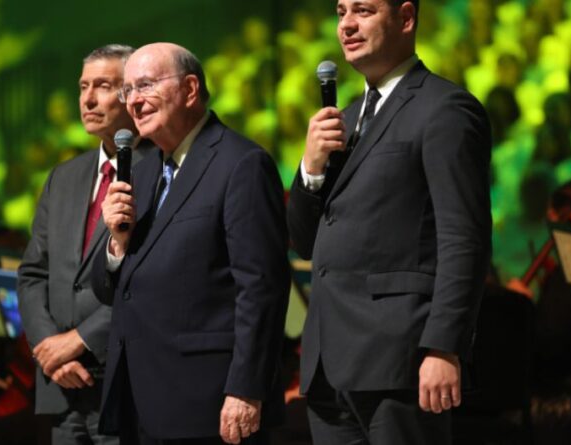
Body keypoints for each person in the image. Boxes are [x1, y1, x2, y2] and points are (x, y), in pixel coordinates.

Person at [286, 1, 492, 443]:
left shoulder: (444, 108)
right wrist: (310, 169)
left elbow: (464, 238)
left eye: (363, 10)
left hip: (399, 360)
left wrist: (444, 345)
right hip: (328, 365)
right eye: (341, 12)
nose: (347, 25)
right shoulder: (343, 120)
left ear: (406, 18)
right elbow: (304, 242)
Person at [92, 42, 289, 444]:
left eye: (145, 85)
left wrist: (246, 389)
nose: (134, 102)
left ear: (190, 89)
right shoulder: (141, 174)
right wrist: (116, 245)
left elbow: (261, 289)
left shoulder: (241, 164)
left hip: (210, 404)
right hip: (140, 403)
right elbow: (111, 290)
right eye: (128, 91)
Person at [18, 44, 153, 445]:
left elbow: (150, 281)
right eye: (83, 87)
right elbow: (32, 274)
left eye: (103, 86)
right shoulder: (63, 177)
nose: (88, 99)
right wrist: (49, 350)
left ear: (132, 94)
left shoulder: (162, 170)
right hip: (62, 387)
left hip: (126, 385)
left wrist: (78, 341)